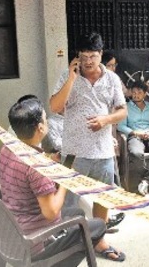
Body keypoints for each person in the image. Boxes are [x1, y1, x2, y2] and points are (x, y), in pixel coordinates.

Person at [0, 96, 125, 264]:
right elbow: (51, 213)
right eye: (45, 118)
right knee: (98, 226)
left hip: (13, 229)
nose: (47, 121)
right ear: (40, 128)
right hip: (35, 242)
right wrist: (66, 179)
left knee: (78, 213)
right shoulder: (37, 166)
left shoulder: (7, 148)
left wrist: (50, 159)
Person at [50, 32, 127, 229]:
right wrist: (71, 78)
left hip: (103, 152)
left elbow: (122, 111)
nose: (88, 61)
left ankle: (99, 237)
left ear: (101, 54)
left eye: (92, 56)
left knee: (103, 199)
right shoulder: (67, 77)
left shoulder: (112, 79)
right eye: (83, 57)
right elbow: (55, 107)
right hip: (74, 153)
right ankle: (71, 239)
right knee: (70, 202)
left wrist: (105, 120)